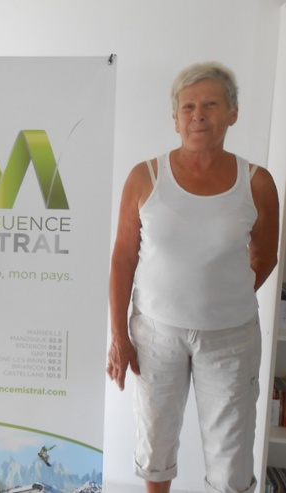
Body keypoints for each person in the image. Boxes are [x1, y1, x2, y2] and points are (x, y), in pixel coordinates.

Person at [107, 61, 279, 493]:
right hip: (155, 335)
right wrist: (119, 337)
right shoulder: (144, 177)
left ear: (233, 113)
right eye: (188, 106)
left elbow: (265, 256)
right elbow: (123, 259)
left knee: (231, 461)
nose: (198, 115)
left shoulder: (258, 183)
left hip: (231, 339)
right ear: (175, 118)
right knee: (155, 448)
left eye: (211, 104)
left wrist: (220, 297)